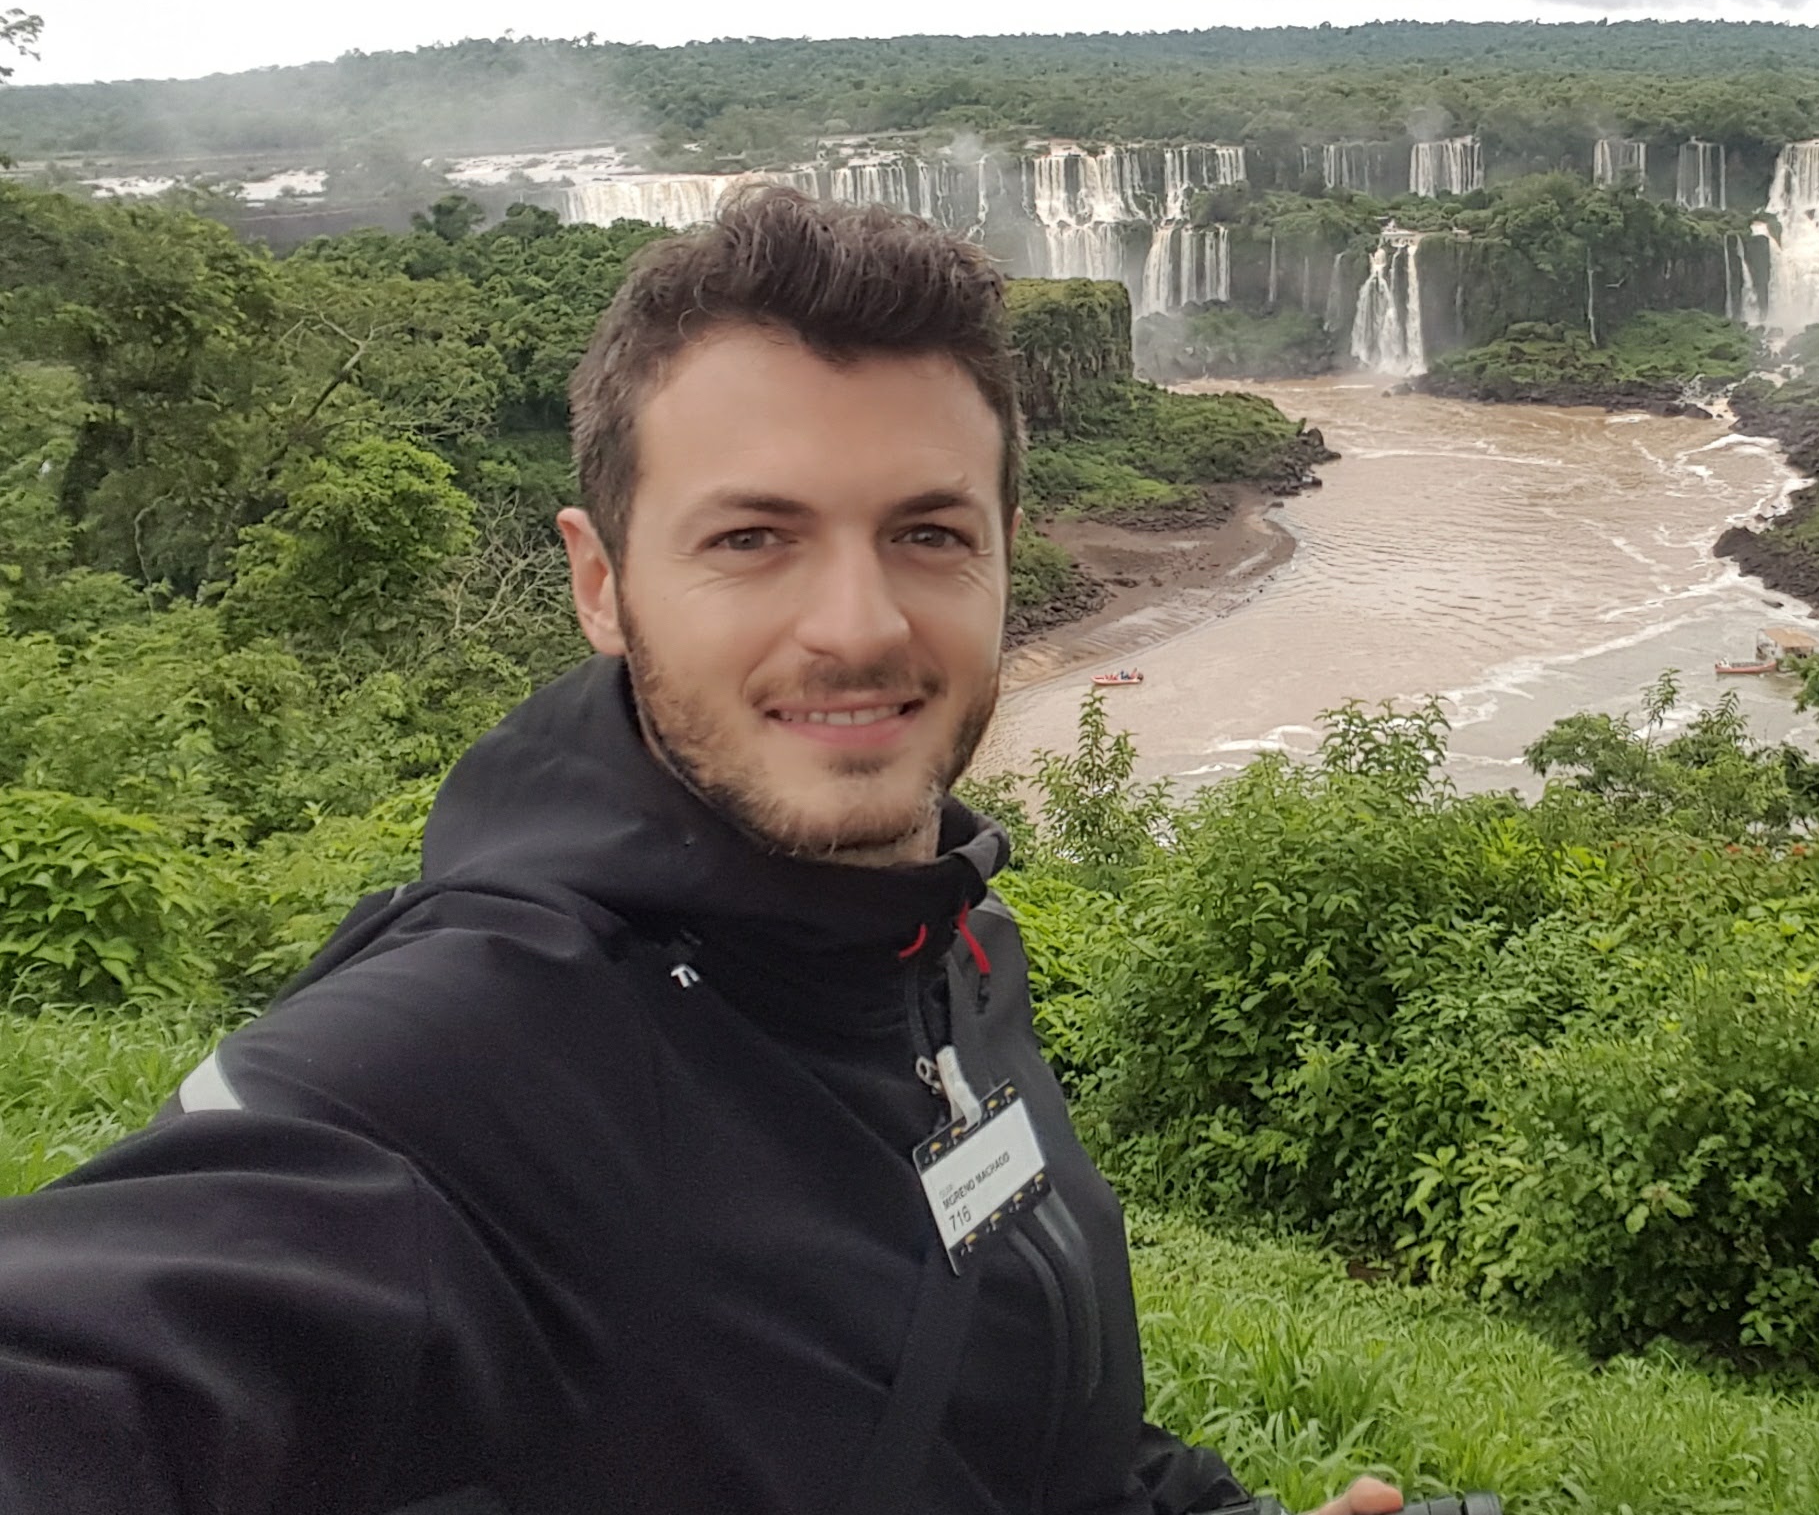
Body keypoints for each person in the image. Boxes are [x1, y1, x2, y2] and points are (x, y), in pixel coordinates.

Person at [0, 189, 1403, 1515]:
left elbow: (1018, 1414)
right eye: (752, 538)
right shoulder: (456, 1070)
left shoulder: (951, 952)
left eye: (925, 532)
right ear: (600, 584)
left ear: (1003, 554)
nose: (855, 626)